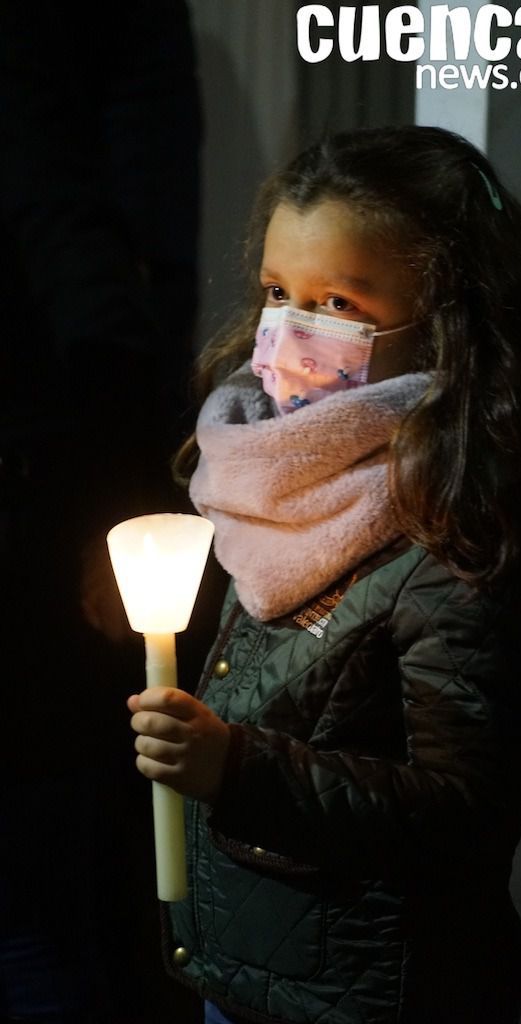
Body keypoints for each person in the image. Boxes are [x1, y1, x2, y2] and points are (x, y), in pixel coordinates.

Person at [127, 126, 521, 1024]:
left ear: (451, 315)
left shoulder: (463, 537)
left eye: (339, 301)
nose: (292, 330)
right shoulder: (280, 482)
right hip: (252, 980)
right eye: (277, 292)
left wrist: (238, 768)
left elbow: (462, 814)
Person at [0, 1, 202, 1020]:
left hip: (51, 469)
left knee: (43, 892)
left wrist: (121, 493)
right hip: (61, 455)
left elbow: (95, 229)